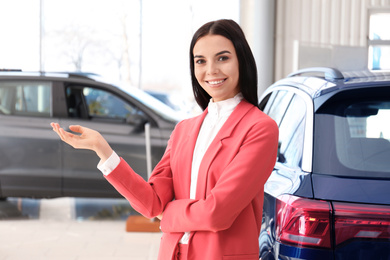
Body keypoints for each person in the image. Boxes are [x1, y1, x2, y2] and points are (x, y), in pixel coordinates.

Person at [51, 19, 278, 260]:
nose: (211, 70)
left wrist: (167, 215)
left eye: (222, 58)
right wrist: (102, 149)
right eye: (200, 61)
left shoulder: (260, 128)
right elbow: (151, 203)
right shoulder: (184, 130)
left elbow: (217, 212)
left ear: (241, 60)